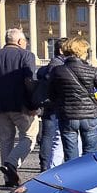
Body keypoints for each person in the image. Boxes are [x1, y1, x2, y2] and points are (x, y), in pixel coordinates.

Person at [0, 27, 39, 187]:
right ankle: (11, 163)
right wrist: (34, 104)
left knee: (5, 140)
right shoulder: (26, 55)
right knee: (29, 136)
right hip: (22, 106)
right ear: (20, 41)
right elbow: (29, 82)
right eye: (25, 42)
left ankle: (8, 179)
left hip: (0, 106)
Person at [47, 37, 97, 162]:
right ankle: (87, 178)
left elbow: (51, 94)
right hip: (89, 115)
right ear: (81, 52)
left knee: (70, 154)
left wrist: (61, 104)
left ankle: (72, 178)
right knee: (90, 153)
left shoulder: (57, 70)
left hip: (67, 115)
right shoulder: (92, 70)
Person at [36, 40, 65, 171]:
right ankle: (46, 165)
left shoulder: (52, 65)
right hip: (55, 104)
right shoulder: (57, 65)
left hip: (51, 104)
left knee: (50, 135)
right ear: (61, 50)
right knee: (50, 136)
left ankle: (46, 164)